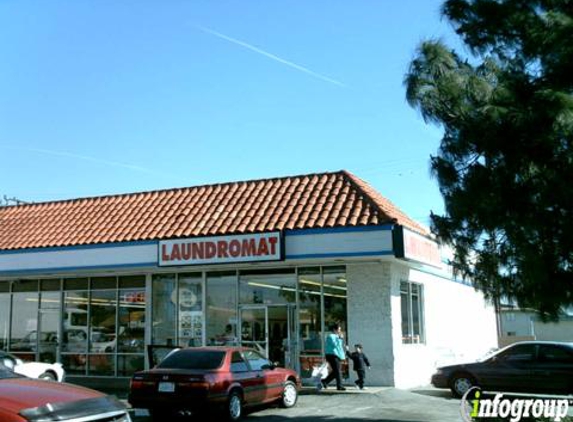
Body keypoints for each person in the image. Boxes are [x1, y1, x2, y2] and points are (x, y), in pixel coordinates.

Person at [321, 323, 347, 391]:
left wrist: (343, 356)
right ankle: (339, 386)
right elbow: (334, 345)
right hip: (332, 355)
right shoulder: (330, 336)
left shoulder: (337, 336)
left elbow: (339, 347)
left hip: (337, 355)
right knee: (338, 371)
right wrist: (340, 338)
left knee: (336, 371)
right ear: (334, 330)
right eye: (339, 329)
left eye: (340, 329)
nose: (340, 331)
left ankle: (325, 381)